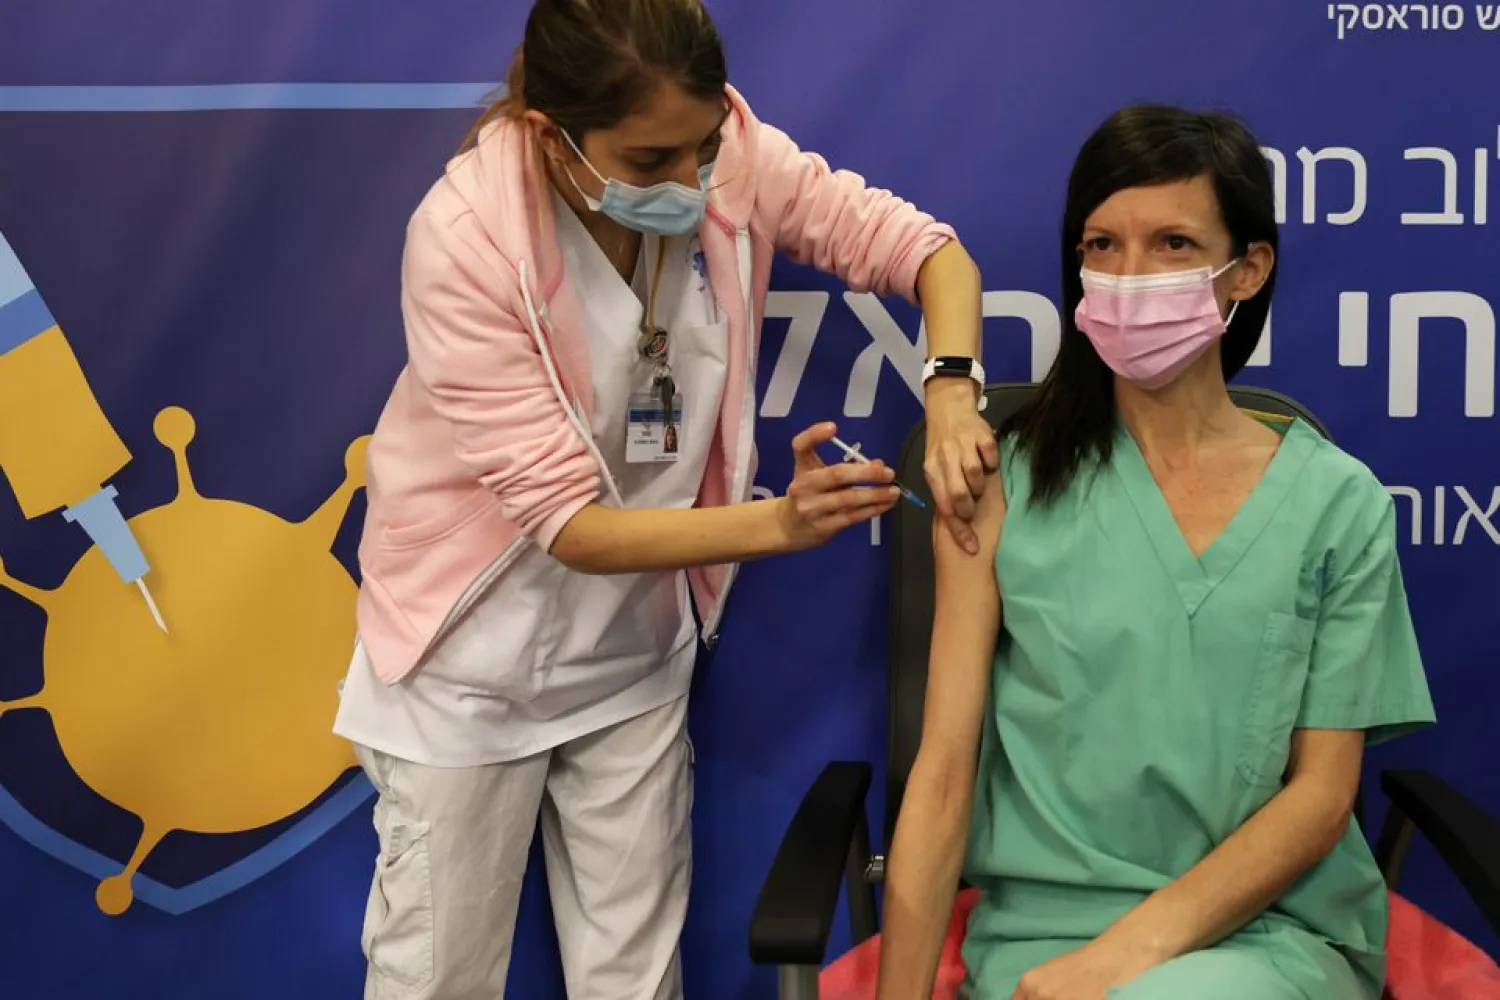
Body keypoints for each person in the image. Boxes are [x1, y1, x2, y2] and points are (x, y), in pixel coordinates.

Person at [331, 1, 994, 997]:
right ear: (554, 138)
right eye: (649, 163)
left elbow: (928, 252)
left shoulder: (731, 156)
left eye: (706, 147)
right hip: (465, 665)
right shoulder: (465, 238)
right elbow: (571, 528)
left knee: (637, 980)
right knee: (437, 979)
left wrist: (949, 386)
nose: (692, 185)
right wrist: (780, 521)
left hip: (632, 652)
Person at [877, 105, 1436, 1000]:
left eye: (1173, 244)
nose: (1129, 275)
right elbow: (943, 776)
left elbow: (1320, 799)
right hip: (1038, 942)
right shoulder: (997, 483)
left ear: (1246, 271)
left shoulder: (1339, 505)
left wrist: (1114, 966)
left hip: (1268, 936)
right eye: (1101, 245)